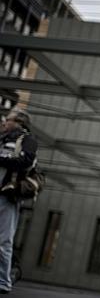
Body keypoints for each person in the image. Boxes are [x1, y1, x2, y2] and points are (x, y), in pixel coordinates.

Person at [0, 108, 37, 294]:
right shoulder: (2, 139)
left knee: (4, 241)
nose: (4, 122)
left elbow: (26, 161)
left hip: (7, 196)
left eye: (8, 119)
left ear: (18, 122)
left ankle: (3, 282)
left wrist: (2, 158)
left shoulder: (27, 141)